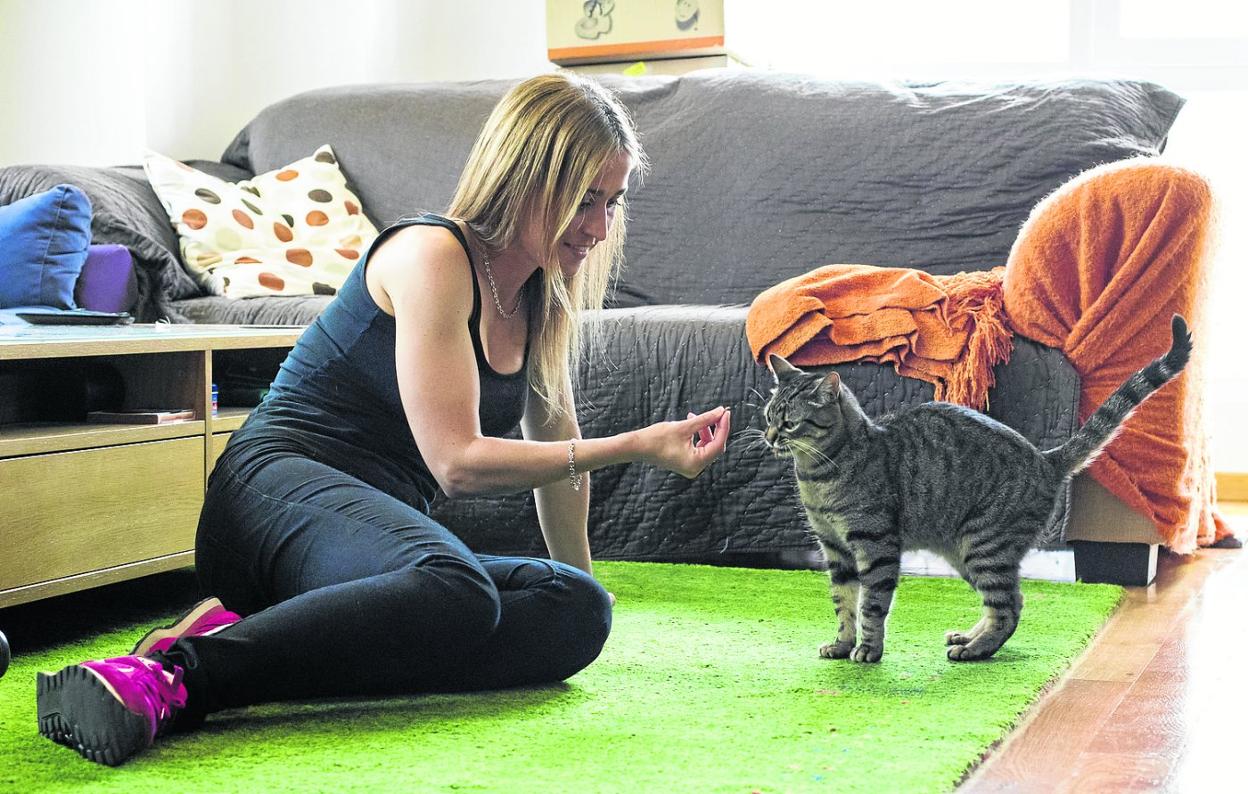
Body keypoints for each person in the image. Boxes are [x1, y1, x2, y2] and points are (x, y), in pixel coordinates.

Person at [36, 72, 731, 767]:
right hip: (272, 498)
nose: (600, 228)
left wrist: (579, 577)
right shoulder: (434, 255)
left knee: (577, 613)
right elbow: (456, 463)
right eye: (585, 201)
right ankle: (176, 676)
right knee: (454, 590)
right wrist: (635, 446)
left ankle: (259, 635)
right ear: (525, 174)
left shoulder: (542, 293)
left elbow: (558, 448)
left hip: (367, 559)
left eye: (612, 202)